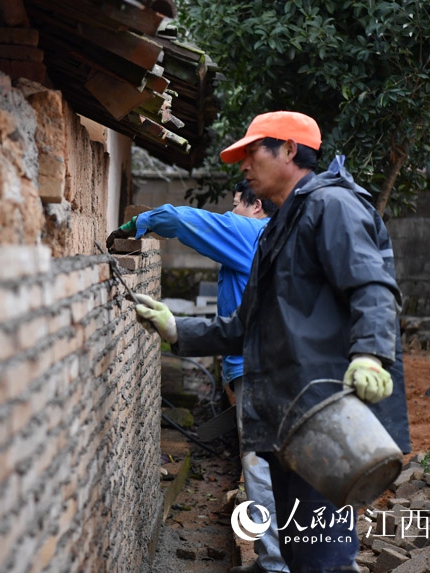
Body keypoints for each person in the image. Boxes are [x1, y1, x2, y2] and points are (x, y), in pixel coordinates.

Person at [132, 111, 410, 573]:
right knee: (301, 552)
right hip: (285, 420)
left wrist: (370, 355)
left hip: (328, 415)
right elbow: (245, 326)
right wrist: (177, 329)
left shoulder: (332, 207)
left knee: (324, 557)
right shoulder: (277, 228)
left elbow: (371, 286)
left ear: (289, 150)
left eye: (251, 151)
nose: (242, 164)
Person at [108, 182, 287, 573]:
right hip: (259, 368)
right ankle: (273, 559)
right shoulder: (273, 238)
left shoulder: (249, 233)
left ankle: (276, 566)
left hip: (259, 373)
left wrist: (138, 223)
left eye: (234, 204)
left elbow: (179, 219)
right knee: (265, 466)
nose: (229, 212)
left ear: (256, 206)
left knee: (260, 470)